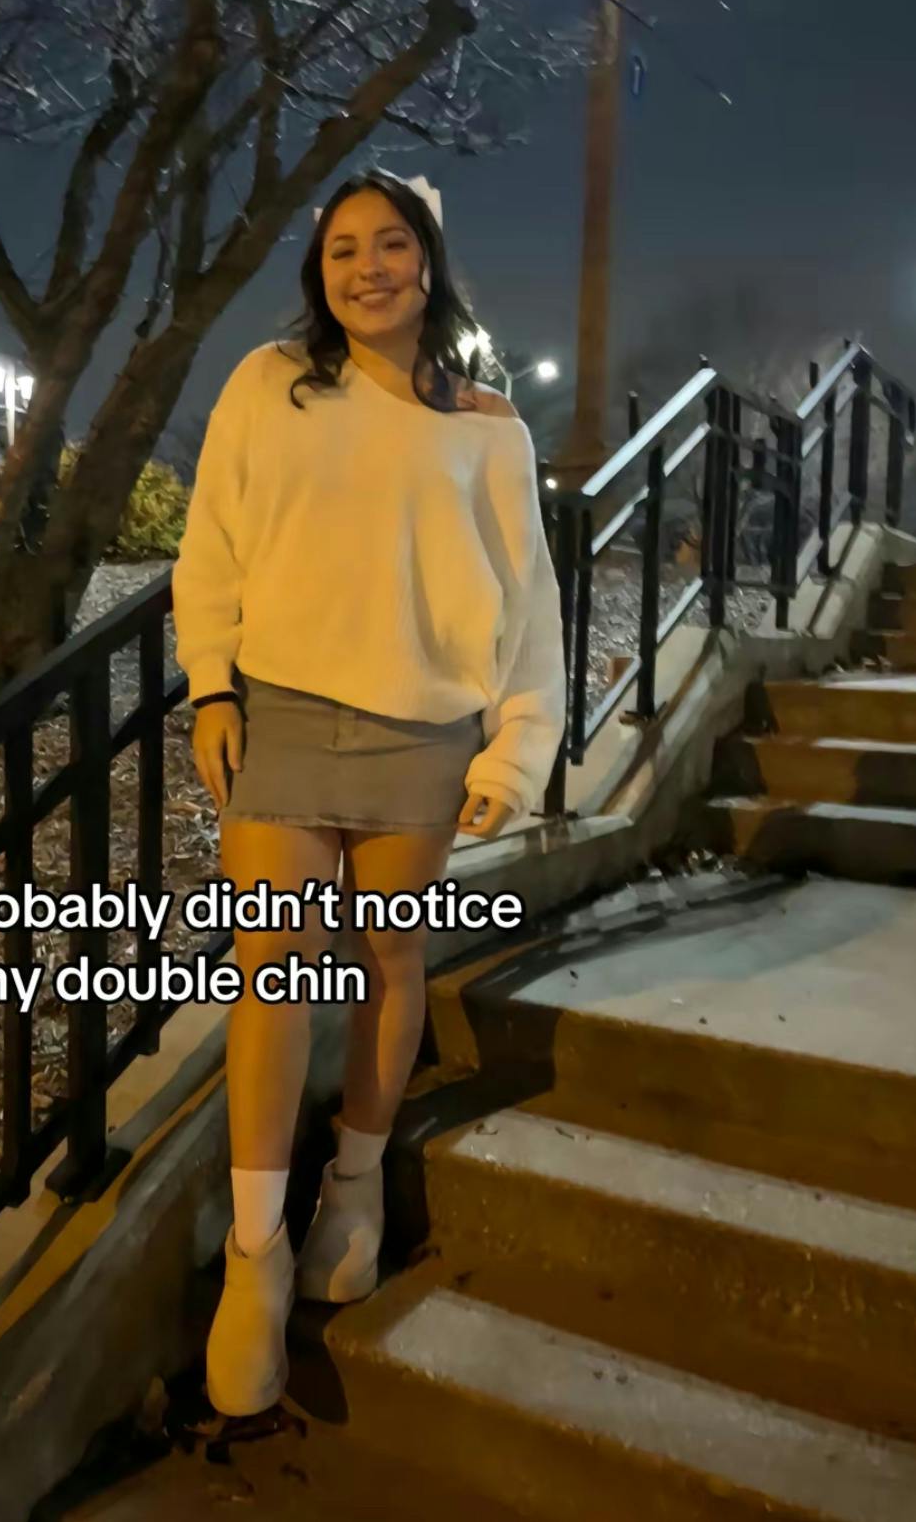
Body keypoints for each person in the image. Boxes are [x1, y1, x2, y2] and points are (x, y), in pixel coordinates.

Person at [170, 166, 566, 1419]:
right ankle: (254, 1251)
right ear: (319, 271)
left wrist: (513, 751)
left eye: (392, 244)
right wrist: (212, 686)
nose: (367, 268)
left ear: (430, 263)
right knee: (272, 966)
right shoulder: (267, 385)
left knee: (391, 962)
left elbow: (531, 605)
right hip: (282, 710)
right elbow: (211, 545)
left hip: (424, 731)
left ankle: (352, 1183)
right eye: (343, 249)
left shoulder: (491, 426)